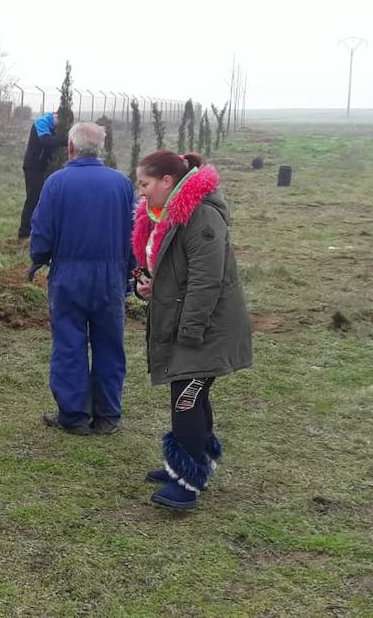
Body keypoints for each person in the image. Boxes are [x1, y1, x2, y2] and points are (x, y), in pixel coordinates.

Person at [132, 149, 253, 511]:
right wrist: (153, 286)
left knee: (186, 400)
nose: (141, 192)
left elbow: (205, 281)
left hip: (205, 329)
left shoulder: (200, 216)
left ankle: (187, 482)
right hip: (192, 324)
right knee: (192, 397)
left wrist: (188, 334)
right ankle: (189, 464)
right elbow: (179, 270)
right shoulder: (174, 213)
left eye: (145, 184)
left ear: (168, 182)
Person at [29, 122, 136, 435]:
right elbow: (135, 230)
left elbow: (42, 231)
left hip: (69, 275)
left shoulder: (57, 183)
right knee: (110, 345)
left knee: (69, 343)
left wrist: (38, 258)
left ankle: (74, 416)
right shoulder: (122, 183)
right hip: (111, 276)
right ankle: (108, 415)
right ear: (99, 149)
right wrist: (130, 268)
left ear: (71, 148)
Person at [19, 110, 60, 243]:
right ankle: (24, 234)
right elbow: (45, 140)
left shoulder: (55, 127)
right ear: (56, 115)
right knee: (33, 199)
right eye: (60, 120)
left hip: (45, 167)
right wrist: (65, 140)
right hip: (33, 167)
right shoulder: (41, 122)